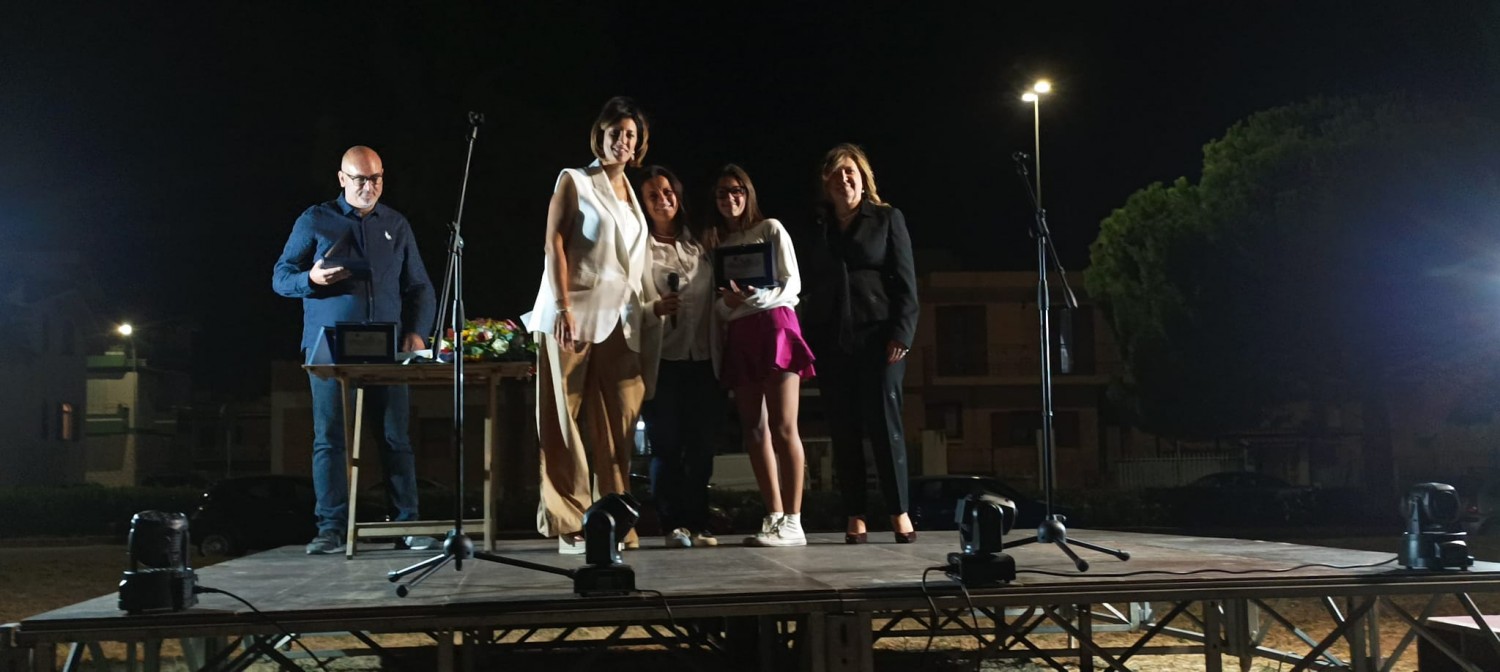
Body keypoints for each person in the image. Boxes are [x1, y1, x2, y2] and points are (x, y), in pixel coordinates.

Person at [272, 145, 437, 555]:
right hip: (329, 349)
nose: (370, 186)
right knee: (330, 438)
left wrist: (417, 333)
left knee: (395, 436)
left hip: (386, 349)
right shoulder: (316, 219)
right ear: (342, 179)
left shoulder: (395, 224)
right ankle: (331, 528)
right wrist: (311, 279)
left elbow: (419, 286)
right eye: (361, 179)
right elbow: (281, 277)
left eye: (376, 178)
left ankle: (407, 524)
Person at [522, 97, 663, 554]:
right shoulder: (575, 180)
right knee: (562, 421)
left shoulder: (632, 196)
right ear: (599, 134)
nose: (623, 141)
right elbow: (555, 243)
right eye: (615, 132)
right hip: (573, 313)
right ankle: (570, 521)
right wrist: (563, 307)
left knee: (618, 424)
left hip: (620, 321)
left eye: (631, 135)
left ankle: (614, 519)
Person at [802, 144, 919, 544]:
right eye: (835, 173)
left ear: (863, 177)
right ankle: (855, 514)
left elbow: (906, 283)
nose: (843, 179)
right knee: (843, 428)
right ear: (826, 183)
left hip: (880, 339)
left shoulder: (886, 218)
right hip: (832, 341)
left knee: (885, 426)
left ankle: (899, 511)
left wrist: (902, 333)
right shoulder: (818, 225)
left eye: (849, 171)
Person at [710, 164, 815, 547]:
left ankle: (794, 521)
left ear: (748, 193)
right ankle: (773, 515)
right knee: (753, 429)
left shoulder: (770, 228)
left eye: (736, 190)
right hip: (740, 334)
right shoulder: (719, 244)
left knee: (784, 427)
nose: (730, 198)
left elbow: (792, 284)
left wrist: (751, 299)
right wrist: (729, 303)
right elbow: (717, 304)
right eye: (723, 192)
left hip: (775, 326)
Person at [640, 165, 725, 548]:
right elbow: (629, 301)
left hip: (704, 359)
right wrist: (654, 308)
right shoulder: (640, 249)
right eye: (653, 195)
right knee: (667, 446)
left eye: (667, 192)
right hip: (664, 361)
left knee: (702, 447)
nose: (662, 200)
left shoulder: (700, 245)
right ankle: (671, 524)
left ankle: (698, 522)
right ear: (644, 204)